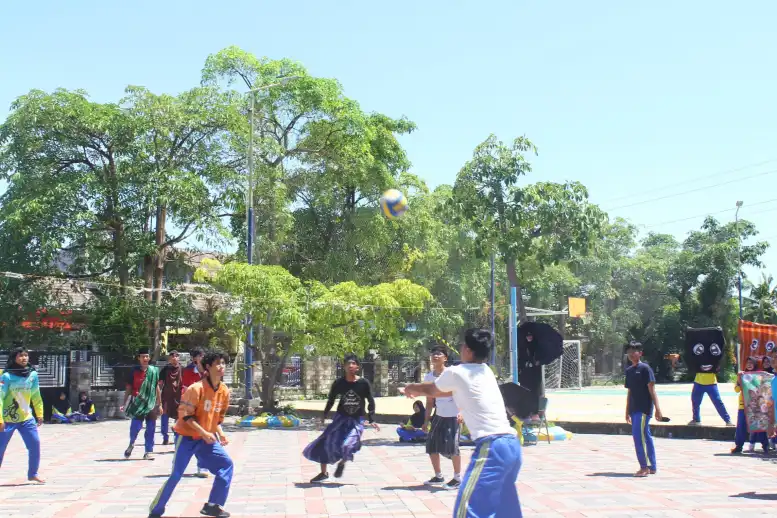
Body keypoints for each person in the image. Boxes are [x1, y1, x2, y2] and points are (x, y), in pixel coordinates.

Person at [401, 329, 522, 518]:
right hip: (513, 447)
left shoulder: (456, 372)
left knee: (467, 509)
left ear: (468, 350)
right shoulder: (486, 371)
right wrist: (421, 392)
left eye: (463, 345)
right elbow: (448, 392)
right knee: (505, 511)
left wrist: (411, 387)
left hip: (492, 448)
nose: (460, 348)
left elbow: (433, 388)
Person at [148, 351, 233, 518]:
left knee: (226, 465)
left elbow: (216, 418)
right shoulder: (196, 389)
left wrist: (220, 434)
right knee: (176, 475)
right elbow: (186, 416)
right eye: (217, 363)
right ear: (208, 367)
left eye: (223, 363)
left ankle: (213, 505)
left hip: (206, 439)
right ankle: (156, 511)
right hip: (186, 438)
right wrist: (203, 432)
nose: (221, 366)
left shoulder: (224, 391)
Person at [304, 354, 379, 483]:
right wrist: (324, 415)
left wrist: (371, 418)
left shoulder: (363, 383)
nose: (350, 366)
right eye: (348, 364)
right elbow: (331, 400)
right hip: (340, 419)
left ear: (357, 367)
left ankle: (342, 462)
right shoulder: (339, 383)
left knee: (347, 445)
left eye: (353, 363)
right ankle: (323, 473)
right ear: (344, 367)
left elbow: (370, 401)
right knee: (325, 442)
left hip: (356, 420)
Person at [0, 347, 45, 483]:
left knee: (35, 443)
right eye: (20, 356)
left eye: (26, 355)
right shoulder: (6, 376)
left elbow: (36, 395)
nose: (24, 358)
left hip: (26, 418)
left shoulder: (33, 375)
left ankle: (33, 473)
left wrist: (40, 413)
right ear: (14, 358)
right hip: (7, 419)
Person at [422, 344, 463, 490]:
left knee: (453, 447)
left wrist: (461, 412)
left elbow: (461, 394)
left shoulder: (451, 374)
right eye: (433, 353)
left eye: (439, 354)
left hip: (454, 416)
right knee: (431, 445)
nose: (435, 356)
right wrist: (426, 420)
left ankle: (458, 478)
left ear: (445, 358)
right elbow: (429, 401)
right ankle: (438, 476)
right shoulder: (428, 377)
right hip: (439, 415)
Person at [624, 341, 663, 477]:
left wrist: (658, 409)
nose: (631, 354)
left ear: (640, 353)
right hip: (634, 409)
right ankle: (652, 466)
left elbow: (652, 390)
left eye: (634, 351)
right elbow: (629, 392)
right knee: (645, 435)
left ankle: (644, 467)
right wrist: (627, 411)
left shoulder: (645, 369)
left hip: (644, 408)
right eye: (629, 351)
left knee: (638, 436)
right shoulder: (629, 371)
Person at [121, 348, 161, 460]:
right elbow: (129, 388)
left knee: (151, 428)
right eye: (143, 356)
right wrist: (124, 403)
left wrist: (160, 404)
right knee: (135, 427)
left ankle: (148, 451)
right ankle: (131, 443)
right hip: (138, 403)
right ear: (138, 358)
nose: (145, 359)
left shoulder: (153, 371)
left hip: (151, 403)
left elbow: (156, 388)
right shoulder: (133, 371)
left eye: (147, 356)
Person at [181, 348, 209, 477]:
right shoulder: (187, 371)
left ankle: (202, 466)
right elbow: (186, 388)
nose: (201, 359)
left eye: (202, 357)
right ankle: (179, 463)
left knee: (203, 437)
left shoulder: (209, 371)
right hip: (191, 407)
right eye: (198, 357)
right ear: (193, 359)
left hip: (206, 408)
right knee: (190, 436)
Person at [732, 357, 757, 454]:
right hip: (743, 406)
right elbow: (737, 390)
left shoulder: (757, 376)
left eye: (751, 363)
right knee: (741, 426)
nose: (749, 364)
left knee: (758, 425)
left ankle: (764, 444)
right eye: (748, 363)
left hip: (755, 406)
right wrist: (739, 379)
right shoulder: (741, 375)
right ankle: (739, 445)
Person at [159, 350, 183, 446]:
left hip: (178, 397)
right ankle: (165, 437)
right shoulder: (166, 369)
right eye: (172, 356)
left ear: (178, 358)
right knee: (164, 417)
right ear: (169, 358)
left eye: (176, 356)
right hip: (166, 396)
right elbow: (160, 383)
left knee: (178, 418)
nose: (174, 358)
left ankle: (176, 437)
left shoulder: (182, 368)